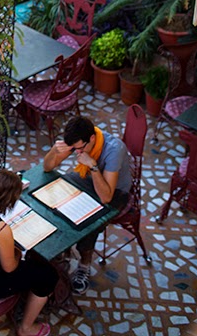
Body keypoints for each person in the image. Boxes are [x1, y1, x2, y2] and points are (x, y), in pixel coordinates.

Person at [43, 115, 131, 294]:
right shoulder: (80, 141)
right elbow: (47, 167)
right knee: (57, 190)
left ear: (91, 139)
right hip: (89, 179)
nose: (76, 153)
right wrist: (54, 150)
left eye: (79, 149)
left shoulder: (114, 150)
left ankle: (84, 265)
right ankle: (62, 248)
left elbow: (106, 196)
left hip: (115, 192)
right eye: (73, 149)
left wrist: (92, 166)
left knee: (89, 224)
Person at [0, 169, 58, 336]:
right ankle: (26, 328)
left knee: (33, 267)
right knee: (48, 275)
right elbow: (10, 268)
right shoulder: (0, 229)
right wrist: (15, 251)